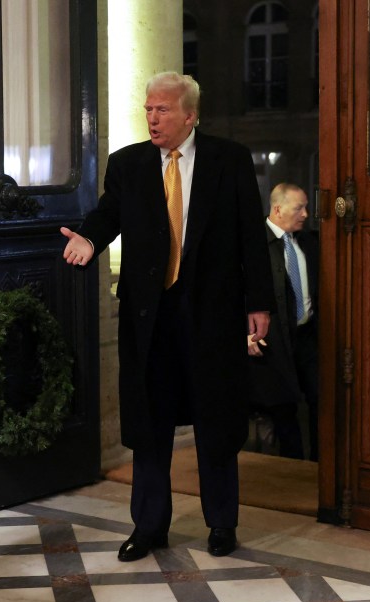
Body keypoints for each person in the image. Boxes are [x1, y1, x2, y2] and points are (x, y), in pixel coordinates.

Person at [60, 72, 272, 561]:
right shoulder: (128, 164)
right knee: (150, 423)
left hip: (212, 316)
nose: (152, 118)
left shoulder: (229, 161)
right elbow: (108, 214)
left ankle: (222, 523)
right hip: (150, 317)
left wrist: (258, 304)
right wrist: (88, 240)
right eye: (148, 109)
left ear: (190, 115)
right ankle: (149, 526)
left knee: (214, 421)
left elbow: (249, 239)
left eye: (162, 110)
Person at [248, 183, 319, 461]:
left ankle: (318, 467)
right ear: (277, 209)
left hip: (307, 337)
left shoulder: (308, 243)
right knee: (282, 409)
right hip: (272, 340)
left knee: (317, 400)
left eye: (306, 207)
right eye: (299, 208)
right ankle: (291, 469)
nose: (305, 214)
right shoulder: (252, 243)